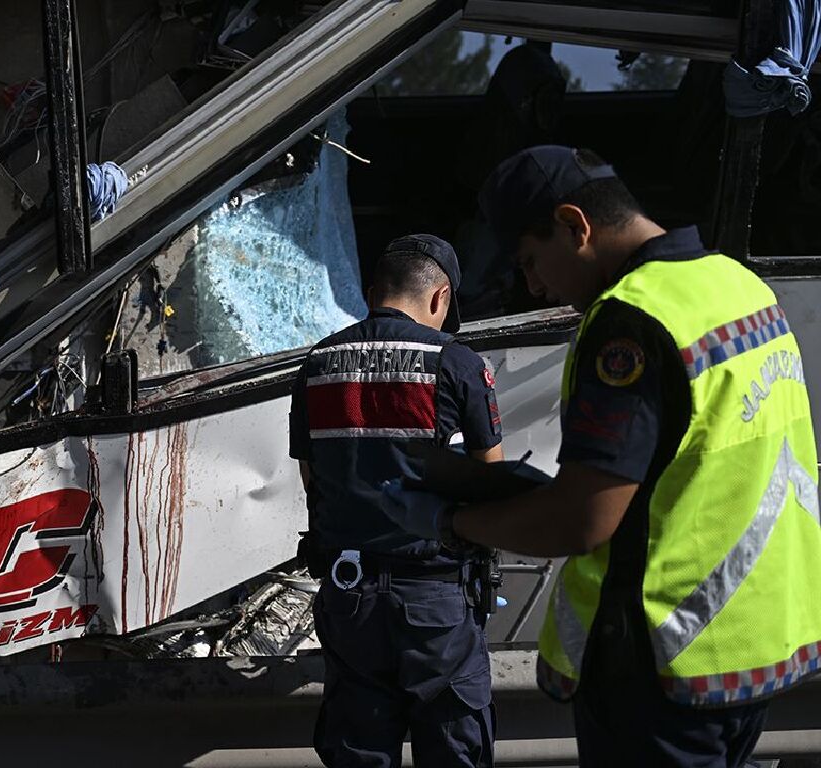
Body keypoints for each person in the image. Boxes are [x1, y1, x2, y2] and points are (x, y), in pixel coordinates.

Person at [384, 145, 821, 766]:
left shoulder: (631, 320)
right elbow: (699, 462)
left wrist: (450, 524)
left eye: (532, 261)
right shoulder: (735, 283)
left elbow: (583, 520)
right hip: (756, 645)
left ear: (575, 225)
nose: (533, 286)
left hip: (666, 667)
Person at [290, 234, 504, 767]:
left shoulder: (318, 364)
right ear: (440, 298)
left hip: (349, 598)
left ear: (371, 291)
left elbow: (312, 477)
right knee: (454, 749)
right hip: (436, 602)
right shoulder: (455, 363)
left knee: (358, 751)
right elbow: (491, 485)